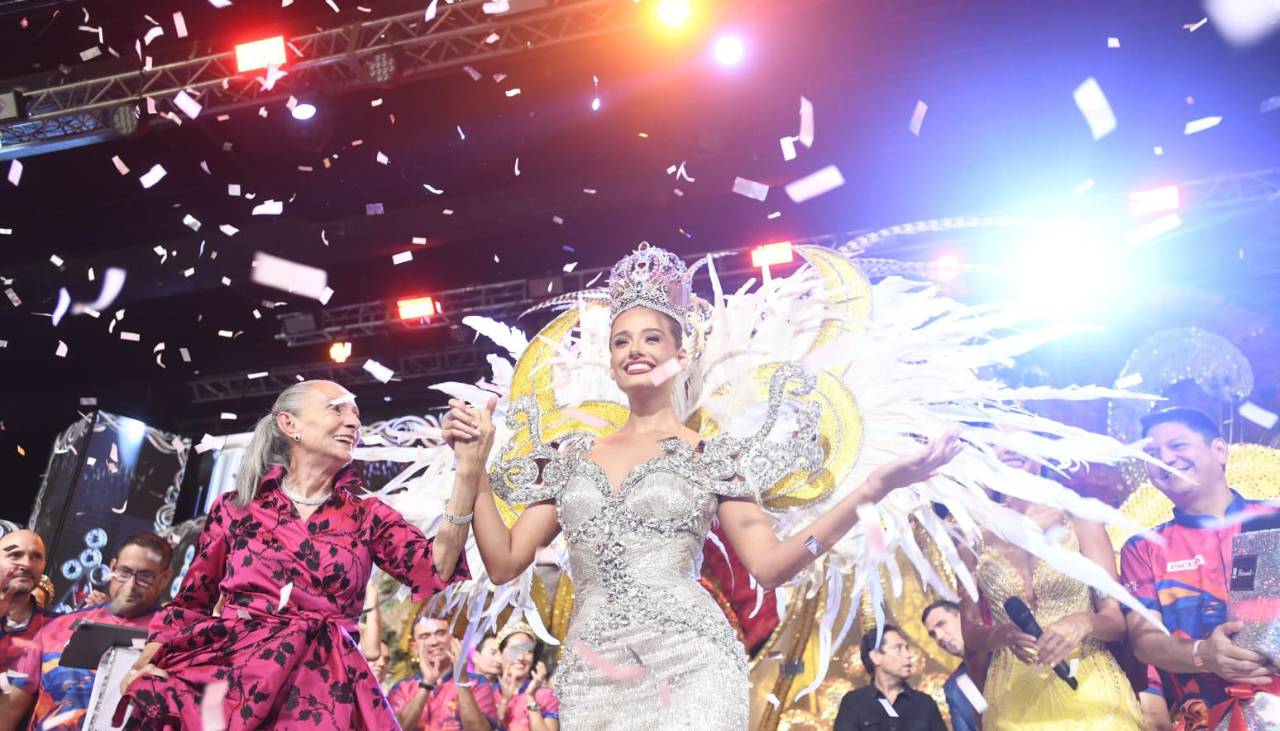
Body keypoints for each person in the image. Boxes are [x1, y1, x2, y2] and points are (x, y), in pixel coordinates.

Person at [442, 244, 962, 729]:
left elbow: (771, 565)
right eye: (621, 340)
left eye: (651, 338)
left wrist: (871, 489)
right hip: (595, 670)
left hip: (692, 663)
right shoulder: (573, 457)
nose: (634, 350)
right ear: (611, 361)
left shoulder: (712, 456)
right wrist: (475, 470)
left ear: (680, 353)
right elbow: (505, 561)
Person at [117, 380, 474, 730]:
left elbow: (436, 569)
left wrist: (467, 473)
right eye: (338, 409)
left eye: (356, 413)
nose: (353, 421)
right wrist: (147, 660)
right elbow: (191, 602)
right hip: (235, 680)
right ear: (290, 425)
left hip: (323, 690)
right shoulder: (236, 508)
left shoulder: (367, 515)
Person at [959, 439, 1145, 730]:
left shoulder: (1079, 518)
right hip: (1011, 697)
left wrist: (1085, 622)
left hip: (1090, 685)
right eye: (996, 442)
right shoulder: (970, 536)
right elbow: (969, 634)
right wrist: (998, 635)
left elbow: (1116, 620)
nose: (1009, 447)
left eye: (1019, 438)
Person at [1120, 407, 1280, 729]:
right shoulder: (1142, 548)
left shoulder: (1273, 519)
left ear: (1219, 450)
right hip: (1203, 716)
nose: (1165, 458)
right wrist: (1203, 653)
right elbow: (1143, 642)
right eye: (1152, 453)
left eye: (1177, 446)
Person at [5, 533, 172, 731]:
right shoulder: (56, 628)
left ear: (165, 578)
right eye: (124, 572)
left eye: (145, 576)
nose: (131, 585)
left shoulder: (174, 641)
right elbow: (9, 711)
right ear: (112, 567)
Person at [387, 615, 497, 730]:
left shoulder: (477, 683)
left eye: (441, 633)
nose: (434, 642)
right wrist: (426, 683)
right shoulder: (402, 688)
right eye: (424, 636)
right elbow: (396, 728)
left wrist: (461, 680)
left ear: (453, 640)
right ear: (414, 647)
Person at [833, 625, 946, 731]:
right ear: (876, 657)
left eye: (906, 648)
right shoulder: (854, 703)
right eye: (898, 648)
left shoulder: (924, 703)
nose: (907, 655)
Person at [920, 599, 979, 731]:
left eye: (942, 624)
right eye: (933, 634)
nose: (939, 637)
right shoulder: (956, 686)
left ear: (962, 616)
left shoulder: (1006, 651)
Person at [493, 622, 558, 731]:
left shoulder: (545, 696)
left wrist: (530, 697)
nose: (521, 657)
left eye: (528, 651)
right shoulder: (486, 692)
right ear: (499, 655)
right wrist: (504, 702)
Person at [0, 531, 50, 644]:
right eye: (15, 555)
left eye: (36, 557)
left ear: (44, 565)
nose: (27, 564)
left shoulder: (54, 627)